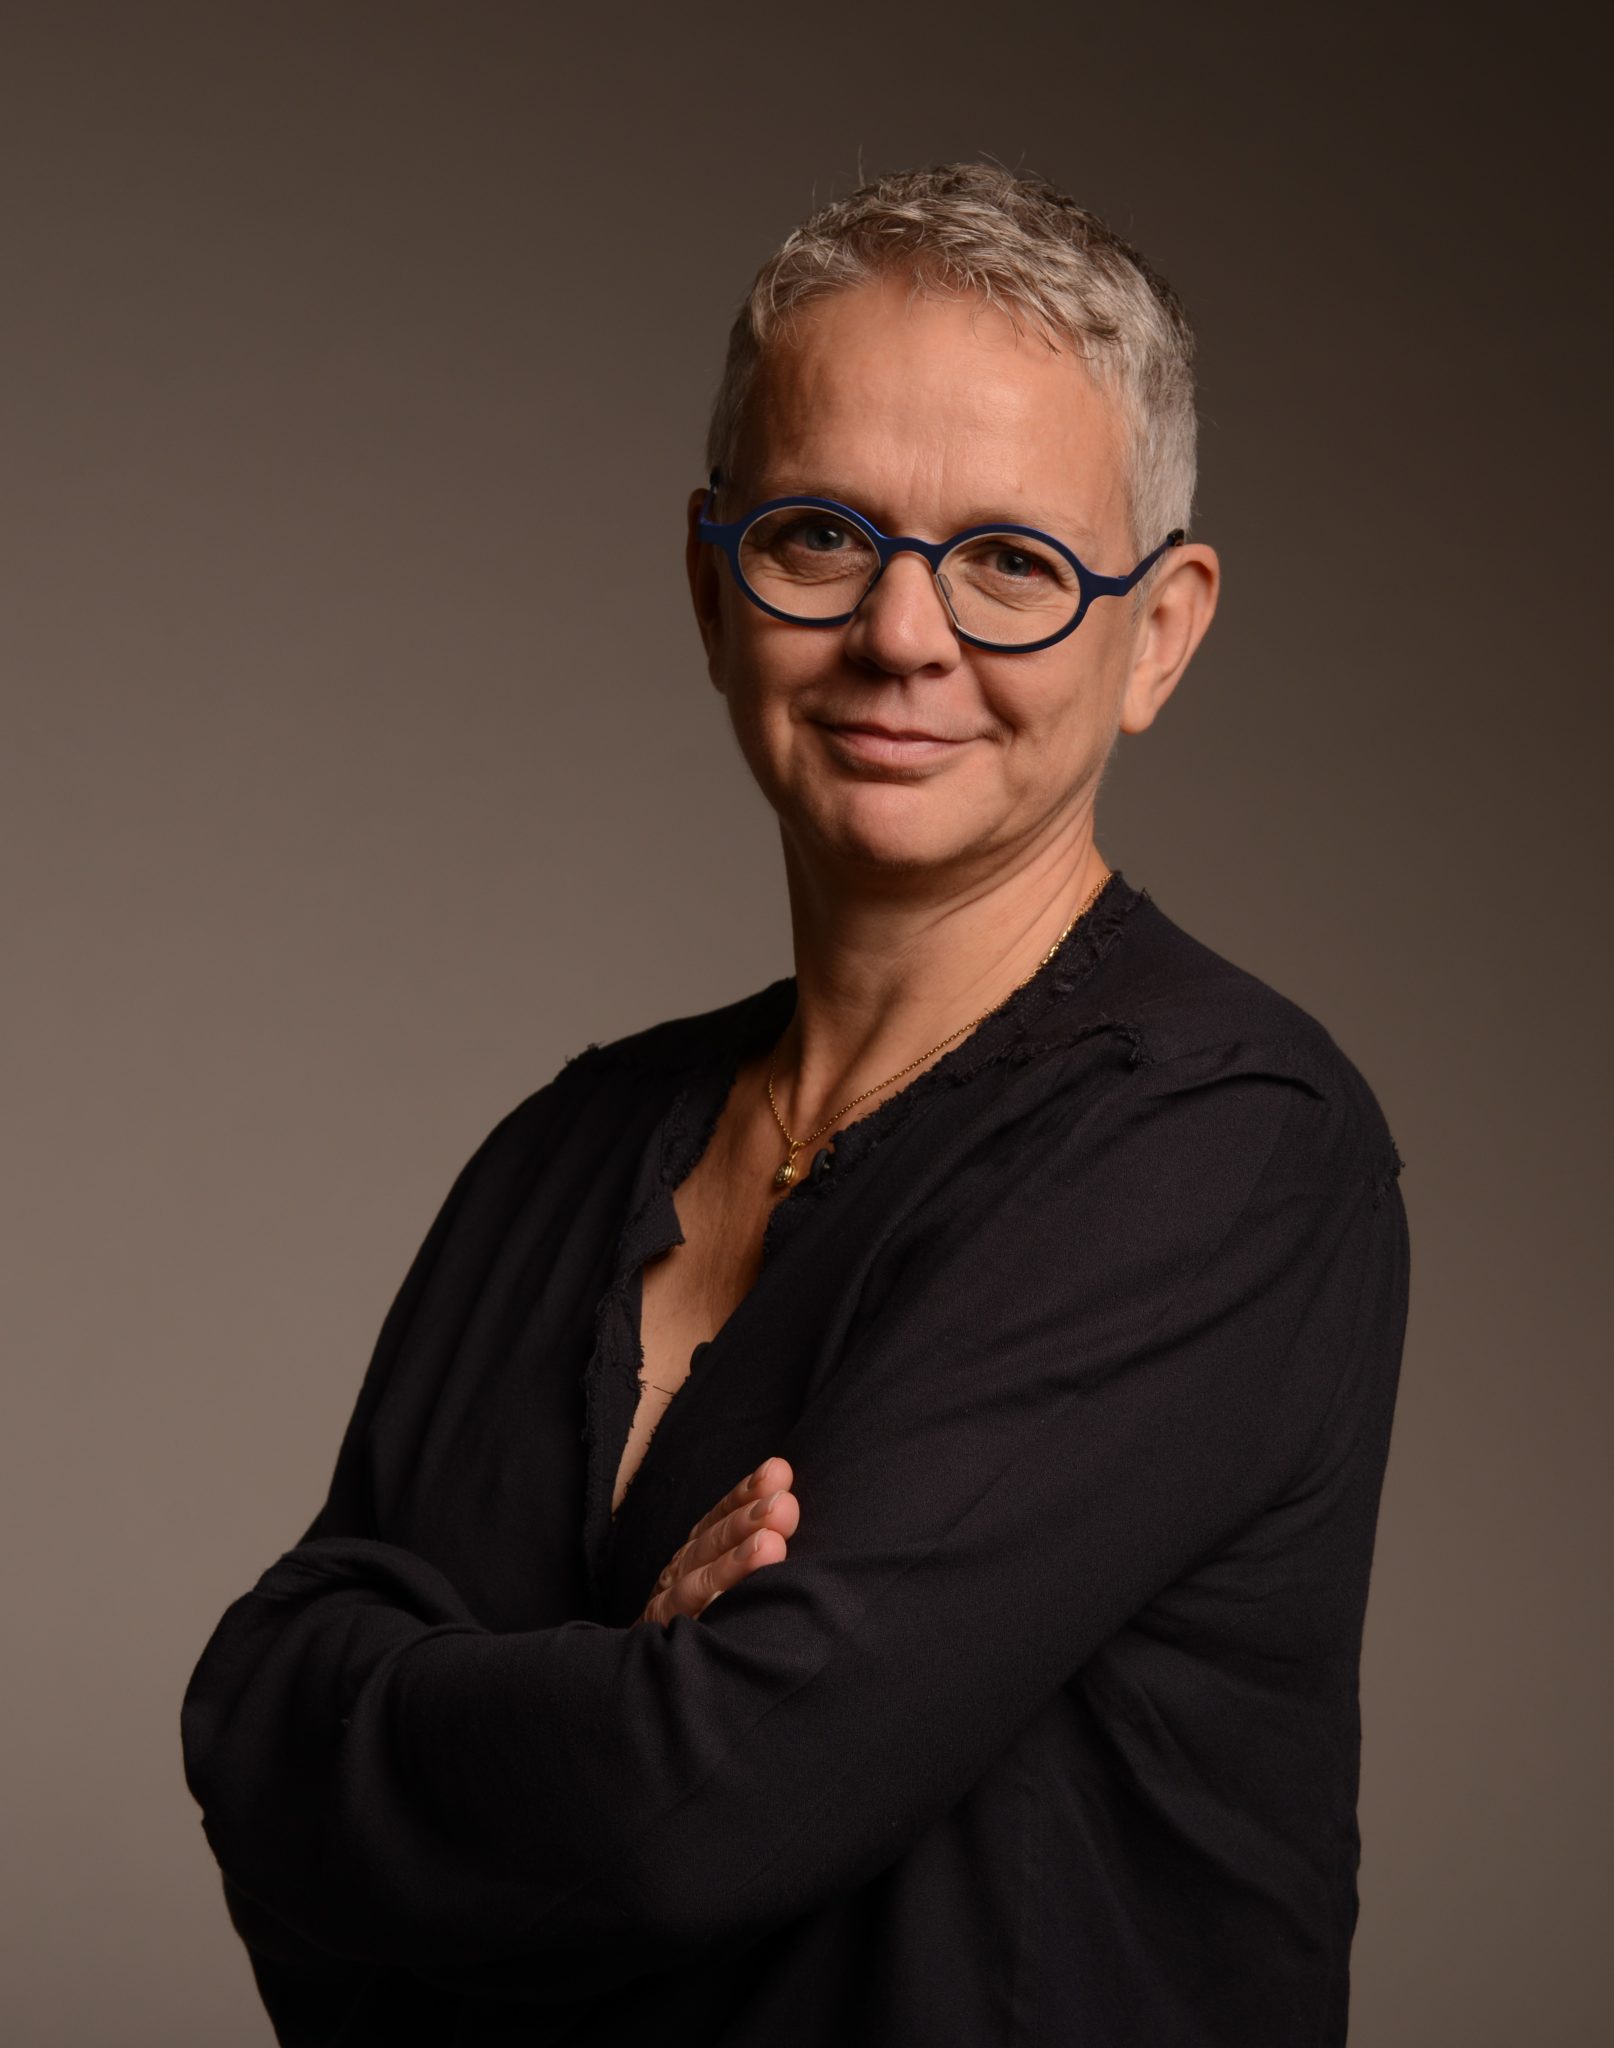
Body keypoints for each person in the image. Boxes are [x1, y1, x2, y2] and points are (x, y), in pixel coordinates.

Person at [181, 162, 1411, 2046]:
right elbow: (253, 1742)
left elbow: (689, 1813)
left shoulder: (1219, 1143)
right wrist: (615, 1695)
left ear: (1157, 634)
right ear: (711, 585)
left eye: (1011, 562)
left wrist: (484, 1735)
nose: (901, 634)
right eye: (822, 535)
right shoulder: (563, 1152)